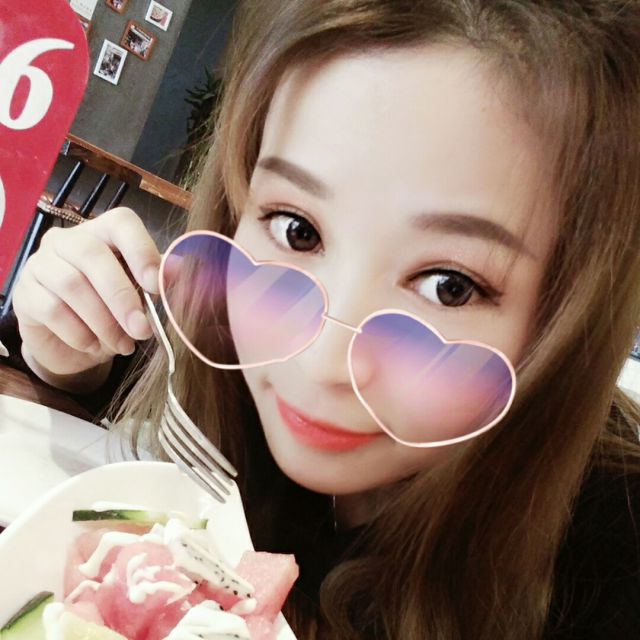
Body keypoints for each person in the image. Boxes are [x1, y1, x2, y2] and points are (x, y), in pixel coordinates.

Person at [8, 1, 640, 637]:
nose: (318, 363)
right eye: (297, 230)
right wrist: (70, 356)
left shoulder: (611, 562)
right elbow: (114, 376)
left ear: (568, 322)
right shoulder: (216, 328)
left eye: (449, 288)